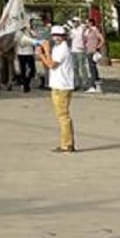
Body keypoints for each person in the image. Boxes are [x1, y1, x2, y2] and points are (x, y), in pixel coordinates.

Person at [39, 24, 77, 152]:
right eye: (54, 35)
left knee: (63, 115)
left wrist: (44, 54)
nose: (56, 38)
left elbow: (51, 65)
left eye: (59, 36)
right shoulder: (57, 47)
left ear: (63, 37)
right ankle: (67, 142)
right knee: (62, 115)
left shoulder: (62, 49)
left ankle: (67, 144)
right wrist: (44, 53)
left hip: (62, 86)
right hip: (57, 84)